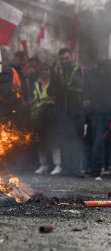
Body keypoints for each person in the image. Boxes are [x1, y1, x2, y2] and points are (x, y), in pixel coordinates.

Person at [52, 47, 84, 175]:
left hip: (75, 110)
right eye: (62, 59)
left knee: (75, 139)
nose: (64, 61)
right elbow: (54, 88)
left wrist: (65, 89)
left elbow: (82, 87)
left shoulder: (78, 69)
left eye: (66, 58)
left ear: (71, 57)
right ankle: (67, 169)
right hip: (62, 111)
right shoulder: (58, 71)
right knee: (64, 139)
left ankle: (76, 169)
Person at [31, 63, 63, 175]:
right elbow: (34, 99)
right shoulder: (36, 84)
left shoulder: (54, 83)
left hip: (52, 114)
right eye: (42, 69)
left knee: (55, 140)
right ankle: (43, 164)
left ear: (50, 71)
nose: (44, 71)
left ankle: (58, 165)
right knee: (40, 140)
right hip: (40, 115)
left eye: (46, 69)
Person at [85, 59, 111, 178]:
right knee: (97, 142)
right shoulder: (98, 81)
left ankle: (97, 168)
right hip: (99, 114)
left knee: (98, 142)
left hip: (101, 114)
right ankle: (96, 168)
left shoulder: (100, 80)